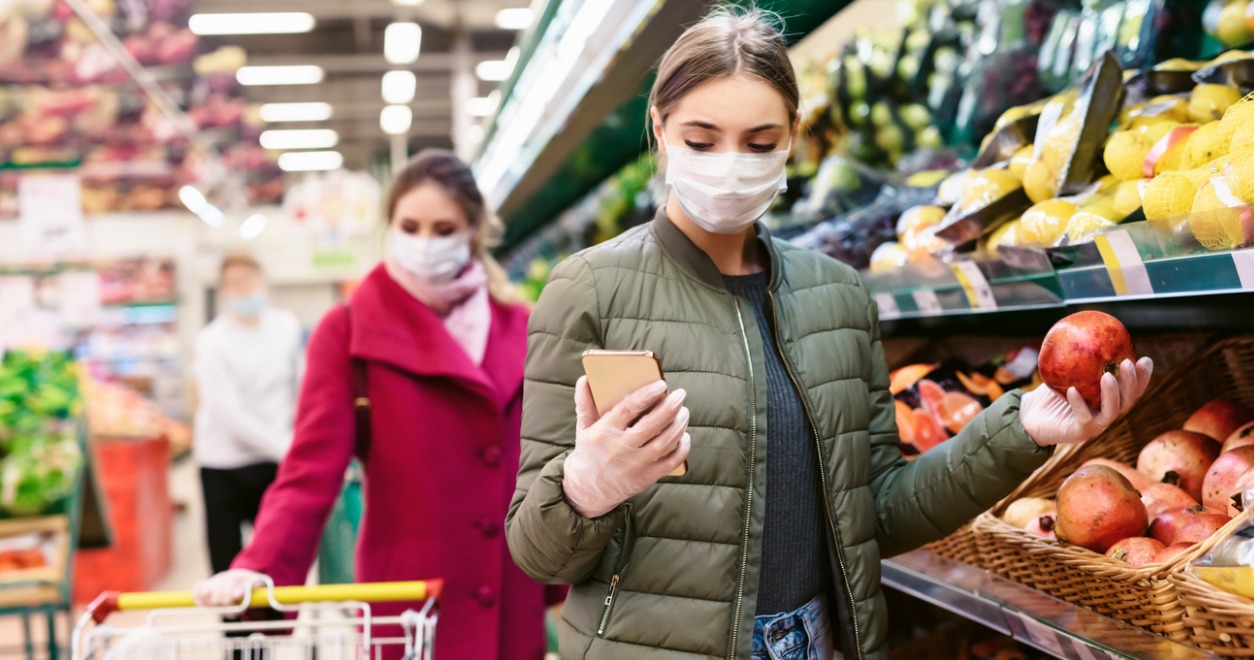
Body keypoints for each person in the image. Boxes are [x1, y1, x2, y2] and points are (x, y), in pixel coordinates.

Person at [506, 8, 1155, 660]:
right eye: (702, 141)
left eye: (759, 143)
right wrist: (586, 488)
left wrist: (1022, 430)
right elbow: (538, 554)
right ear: (661, 130)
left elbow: (877, 513)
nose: (730, 166)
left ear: (793, 134)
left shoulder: (838, 294)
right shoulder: (590, 288)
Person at [194, 150, 565, 659]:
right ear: (389, 226)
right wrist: (259, 566)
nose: (426, 243)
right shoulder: (348, 334)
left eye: (444, 228)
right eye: (410, 226)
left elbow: (550, 462)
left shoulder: (524, 328)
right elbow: (310, 472)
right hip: (410, 604)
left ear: (473, 230)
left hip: (508, 587)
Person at [194, 253, 302, 580]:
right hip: (223, 462)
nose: (243, 289)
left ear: (264, 280)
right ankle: (233, 630)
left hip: (274, 461)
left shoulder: (286, 327)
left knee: (276, 555)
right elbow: (228, 412)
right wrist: (287, 448)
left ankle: (273, 630)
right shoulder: (211, 341)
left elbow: (301, 386)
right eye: (233, 283)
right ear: (224, 290)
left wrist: (298, 440)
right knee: (226, 562)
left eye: (249, 279)